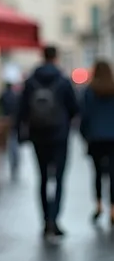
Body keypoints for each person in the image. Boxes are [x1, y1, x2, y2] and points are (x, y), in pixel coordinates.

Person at [16, 45, 79, 237]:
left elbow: (22, 110)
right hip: (59, 135)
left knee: (42, 178)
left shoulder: (31, 81)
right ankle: (54, 218)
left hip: (38, 134)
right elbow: (75, 108)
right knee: (59, 178)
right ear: (56, 57)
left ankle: (44, 221)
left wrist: (20, 132)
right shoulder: (63, 81)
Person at [80, 60, 114, 225]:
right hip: (113, 137)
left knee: (98, 173)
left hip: (95, 137)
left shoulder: (89, 91)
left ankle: (99, 204)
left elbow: (84, 116)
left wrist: (84, 135)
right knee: (113, 174)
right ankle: (113, 208)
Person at [0, 81, 20, 178]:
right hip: (13, 122)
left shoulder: (3, 95)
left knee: (10, 140)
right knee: (13, 141)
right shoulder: (15, 96)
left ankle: (12, 157)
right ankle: (14, 159)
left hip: (5, 120)